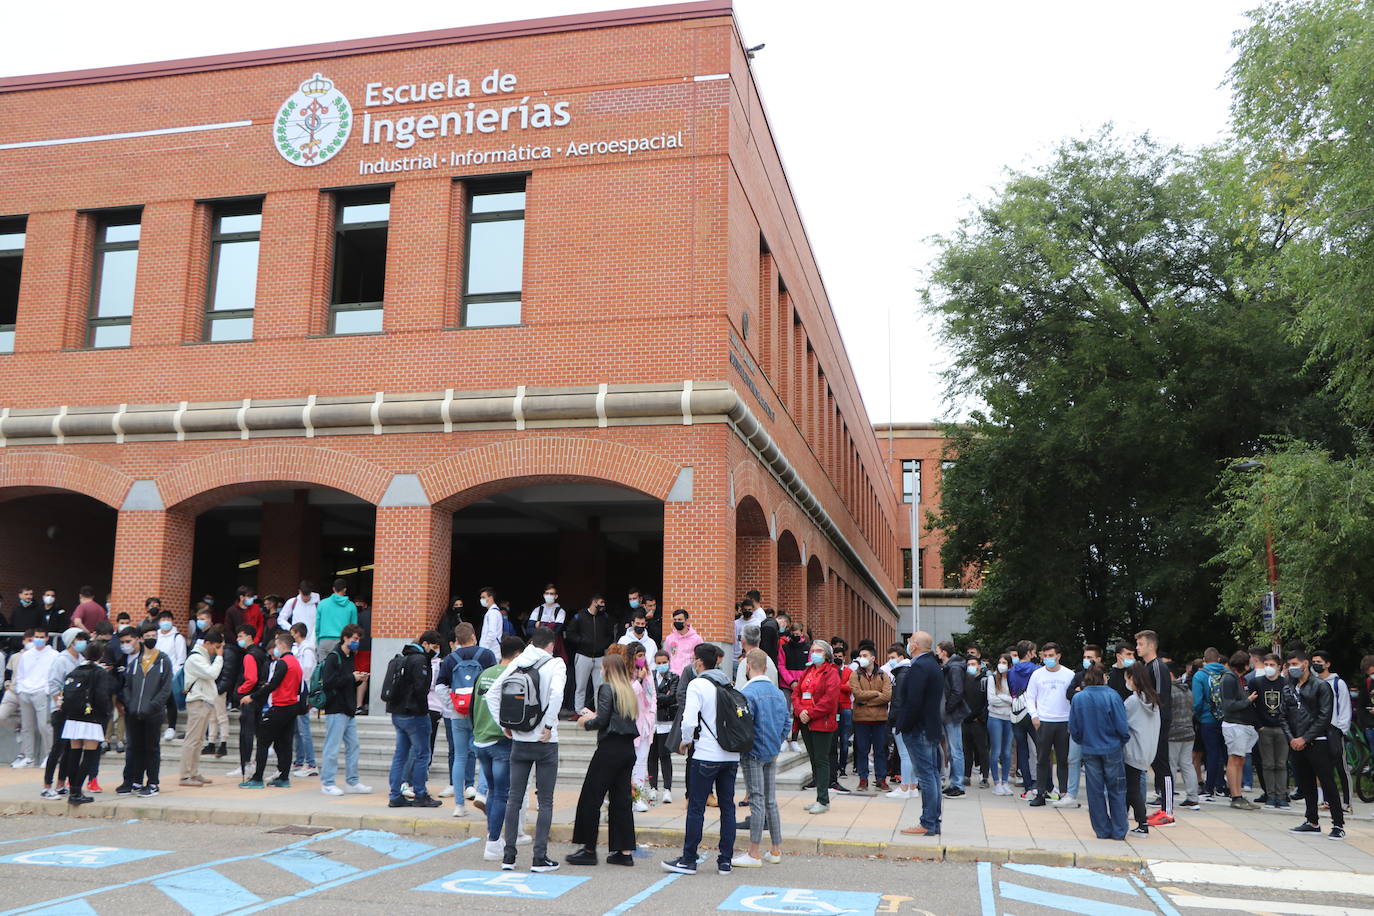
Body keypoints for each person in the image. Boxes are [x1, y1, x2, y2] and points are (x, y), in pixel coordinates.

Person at [488, 626, 566, 873]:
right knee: (545, 802)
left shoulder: (518, 662)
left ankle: (508, 856)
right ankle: (539, 858)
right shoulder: (556, 665)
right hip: (545, 742)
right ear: (551, 645)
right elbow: (557, 694)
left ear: (533, 642)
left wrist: (504, 725)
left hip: (519, 739)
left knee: (514, 798)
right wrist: (549, 725)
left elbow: (491, 695)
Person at [661, 643, 739, 876]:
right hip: (730, 754)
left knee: (696, 807)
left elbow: (689, 720)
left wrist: (685, 740)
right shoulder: (727, 682)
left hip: (706, 754)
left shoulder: (698, 684)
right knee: (728, 807)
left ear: (698, 662)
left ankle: (688, 859)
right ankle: (725, 860)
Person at [567, 653, 641, 867]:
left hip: (609, 749)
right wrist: (597, 714)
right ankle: (624, 851)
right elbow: (615, 715)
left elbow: (603, 719)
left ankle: (588, 849)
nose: (600, 670)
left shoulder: (606, 687)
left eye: (602, 667)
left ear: (607, 669)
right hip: (627, 749)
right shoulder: (627, 689)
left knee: (591, 798)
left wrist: (585, 722)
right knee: (621, 801)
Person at [435, 622, 496, 817]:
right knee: (486, 755)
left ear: (457, 640)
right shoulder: (486, 655)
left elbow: (440, 687)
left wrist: (453, 705)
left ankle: (459, 806)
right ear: (474, 636)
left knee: (460, 757)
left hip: (457, 714)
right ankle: (481, 792)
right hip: (480, 714)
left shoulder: (450, 659)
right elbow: (494, 682)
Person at [735, 648, 788, 867]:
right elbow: (786, 723)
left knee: (756, 800)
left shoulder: (747, 694)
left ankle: (754, 852)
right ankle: (775, 849)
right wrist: (776, 742)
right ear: (766, 667)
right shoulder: (778, 693)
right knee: (770, 801)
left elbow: (744, 726)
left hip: (753, 751)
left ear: (748, 667)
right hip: (771, 750)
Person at [1282, 650, 1344, 839]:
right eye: (1289, 664)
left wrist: (1305, 738)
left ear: (1305, 663)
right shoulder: (1288, 687)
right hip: (1295, 742)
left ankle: (1338, 824)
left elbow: (1324, 717)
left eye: (1295, 663)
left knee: (1327, 782)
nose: (1292, 668)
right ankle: (1312, 821)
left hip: (1318, 741)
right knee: (1306, 782)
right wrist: (1292, 738)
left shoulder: (1321, 686)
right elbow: (1283, 715)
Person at [380, 630, 443, 807]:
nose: (435, 650)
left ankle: (395, 794)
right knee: (422, 754)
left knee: (400, 754)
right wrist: (424, 711)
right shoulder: (420, 660)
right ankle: (420, 794)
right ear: (425, 644)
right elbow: (421, 689)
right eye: (434, 646)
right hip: (415, 714)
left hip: (397, 712)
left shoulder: (402, 658)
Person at [474, 636, 523, 861]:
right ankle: (493, 842)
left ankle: (492, 836)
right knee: (502, 793)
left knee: (493, 791)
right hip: (501, 740)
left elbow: (474, 707)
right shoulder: (512, 675)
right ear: (517, 654)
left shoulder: (485, 673)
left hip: (481, 739)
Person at [1068, 664, 1129, 840]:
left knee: (1094, 791)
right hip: (1112, 747)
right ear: (1104, 677)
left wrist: (1083, 741)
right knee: (1116, 790)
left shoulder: (1079, 698)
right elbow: (1122, 725)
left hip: (1089, 747)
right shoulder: (1113, 696)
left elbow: (1074, 727)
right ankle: (1119, 830)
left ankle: (1102, 830)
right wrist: (1121, 740)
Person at [239, 633, 303, 789]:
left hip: (280, 706)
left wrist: (252, 697)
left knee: (263, 741)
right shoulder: (296, 663)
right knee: (284, 743)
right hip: (292, 707)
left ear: (281, 645)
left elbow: (273, 685)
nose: (275, 649)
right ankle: (283, 777)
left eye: (276, 645)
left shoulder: (283, 663)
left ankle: (257, 778)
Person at [896, 632, 945, 837]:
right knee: (932, 774)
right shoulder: (933, 665)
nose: (907, 644)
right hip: (930, 726)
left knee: (926, 776)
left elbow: (913, 701)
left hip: (918, 729)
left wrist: (904, 726)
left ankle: (928, 822)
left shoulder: (919, 666)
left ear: (915, 645)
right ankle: (933, 820)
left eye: (909, 641)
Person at [117, 625, 173, 797]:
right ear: (141, 639)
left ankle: (153, 782)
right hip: (135, 712)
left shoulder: (163, 660)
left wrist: (154, 705)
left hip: (153, 713)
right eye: (147, 635)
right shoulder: (135, 663)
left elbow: (166, 688)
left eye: (153, 635)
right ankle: (134, 780)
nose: (151, 638)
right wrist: (130, 704)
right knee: (134, 747)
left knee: (151, 748)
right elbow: (127, 686)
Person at [58, 642, 117, 806]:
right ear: (100, 655)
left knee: (74, 754)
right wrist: (105, 716)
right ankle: (77, 790)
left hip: (73, 718)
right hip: (91, 718)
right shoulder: (99, 672)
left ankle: (73, 791)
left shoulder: (75, 671)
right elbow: (102, 697)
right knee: (89, 755)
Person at [319, 624, 373, 796]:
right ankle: (327, 782)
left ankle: (352, 781)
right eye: (355, 639)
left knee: (353, 746)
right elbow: (328, 682)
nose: (357, 642)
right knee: (332, 747)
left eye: (358, 639)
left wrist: (358, 679)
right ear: (346, 638)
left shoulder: (350, 656)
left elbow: (345, 682)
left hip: (348, 709)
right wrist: (352, 677)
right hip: (336, 709)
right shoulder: (334, 657)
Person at [794, 639, 841, 813]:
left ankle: (823, 799)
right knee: (813, 759)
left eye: (819, 650)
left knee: (821, 760)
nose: (814, 653)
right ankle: (819, 797)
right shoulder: (808, 671)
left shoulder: (832, 673)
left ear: (826, 654)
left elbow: (829, 700)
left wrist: (810, 713)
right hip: (805, 721)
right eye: (813, 650)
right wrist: (800, 711)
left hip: (821, 722)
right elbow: (796, 693)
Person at [1025, 642, 1074, 806]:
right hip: (1044, 721)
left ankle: (1063, 793)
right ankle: (1040, 793)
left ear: (1058, 656)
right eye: (1045, 656)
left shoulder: (1068, 674)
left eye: (1051, 656)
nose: (1048, 659)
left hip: (1064, 721)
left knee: (1062, 759)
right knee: (1042, 759)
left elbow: (1074, 697)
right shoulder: (1037, 674)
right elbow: (1030, 696)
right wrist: (1034, 715)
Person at [41, 628, 88, 797]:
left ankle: (61, 783)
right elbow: (53, 684)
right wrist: (59, 702)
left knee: (70, 748)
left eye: (83, 639)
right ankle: (47, 785)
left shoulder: (82, 660)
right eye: (78, 639)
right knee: (57, 748)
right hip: (61, 709)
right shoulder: (61, 660)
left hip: (76, 710)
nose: (82, 642)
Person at [1135, 630, 1174, 824]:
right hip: (1152, 720)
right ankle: (1163, 808)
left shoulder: (1158, 667)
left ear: (1151, 645)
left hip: (1159, 720)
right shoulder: (1147, 666)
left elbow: (1158, 696)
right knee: (1156, 764)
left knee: (1162, 763)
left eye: (1140, 644)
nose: (1137, 648)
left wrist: (1152, 718)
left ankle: (1168, 812)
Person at [177, 627, 223, 787]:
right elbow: (212, 674)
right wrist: (219, 657)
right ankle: (185, 776)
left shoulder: (202, 657)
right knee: (192, 740)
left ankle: (193, 772)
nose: (216, 650)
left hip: (204, 701)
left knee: (198, 740)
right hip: (198, 701)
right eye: (216, 646)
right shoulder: (195, 658)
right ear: (208, 643)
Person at [1310, 649, 1352, 814]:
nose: (1316, 665)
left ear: (1327, 664)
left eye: (1319, 662)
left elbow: (1345, 707)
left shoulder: (1337, 683)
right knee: (1323, 767)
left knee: (1341, 767)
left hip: (1335, 730)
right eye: (1314, 661)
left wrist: (1341, 729)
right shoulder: (1313, 683)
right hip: (1319, 731)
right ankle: (1327, 800)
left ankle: (1347, 802)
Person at [1123, 663, 1161, 835]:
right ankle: (1122, 819)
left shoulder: (1133, 701)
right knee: (1132, 787)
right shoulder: (1152, 699)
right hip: (1147, 750)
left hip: (1132, 750)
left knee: (1131, 789)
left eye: (1127, 678)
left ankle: (1142, 823)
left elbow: (1121, 722)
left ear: (1132, 679)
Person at [1219, 650, 1260, 810]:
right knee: (1234, 759)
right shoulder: (1229, 678)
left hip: (1243, 725)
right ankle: (1235, 795)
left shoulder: (1237, 678)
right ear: (1244, 665)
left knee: (1240, 760)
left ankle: (1239, 794)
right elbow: (1228, 705)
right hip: (1234, 725)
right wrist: (1248, 701)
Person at [13, 627, 57, 770]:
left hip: (42, 692)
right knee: (27, 727)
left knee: (45, 726)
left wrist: (47, 690)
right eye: (36, 637)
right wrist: (20, 689)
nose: (38, 640)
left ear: (46, 638)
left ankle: (49, 756)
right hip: (25, 692)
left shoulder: (53, 655)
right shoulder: (27, 655)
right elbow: (20, 673)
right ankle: (28, 757)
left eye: (41, 637)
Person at [850, 642, 891, 791]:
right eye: (860, 656)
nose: (862, 658)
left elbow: (887, 696)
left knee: (880, 750)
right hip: (861, 719)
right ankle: (863, 779)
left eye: (865, 656)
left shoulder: (882, 675)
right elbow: (857, 695)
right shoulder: (855, 675)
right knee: (862, 750)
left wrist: (867, 702)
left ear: (873, 658)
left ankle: (881, 779)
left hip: (880, 719)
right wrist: (875, 694)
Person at [228, 625, 268, 779]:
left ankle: (245, 765)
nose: (238, 640)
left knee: (246, 734)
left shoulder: (249, 655)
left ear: (249, 636)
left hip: (249, 699)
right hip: (259, 698)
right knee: (257, 733)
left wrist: (240, 692)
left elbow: (251, 679)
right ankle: (253, 765)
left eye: (240, 636)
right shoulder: (261, 653)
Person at [1253, 653, 1290, 809]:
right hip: (1265, 728)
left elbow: (1292, 706)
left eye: (1272, 665)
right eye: (1266, 664)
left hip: (1282, 728)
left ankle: (1282, 796)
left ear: (1279, 666)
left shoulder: (1286, 683)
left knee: (1281, 763)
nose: (1269, 667)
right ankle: (1270, 795)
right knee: (1267, 764)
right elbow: (1252, 705)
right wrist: (1258, 724)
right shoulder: (1257, 682)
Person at [566, 595, 613, 711]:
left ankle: (599, 712)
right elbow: (570, 633)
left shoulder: (605, 617)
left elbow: (610, 634)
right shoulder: (580, 616)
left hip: (600, 657)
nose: (603, 605)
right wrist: (581, 641)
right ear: (594, 602)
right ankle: (579, 711)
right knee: (580, 686)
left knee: (600, 687)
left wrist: (604, 645)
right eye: (601, 602)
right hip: (583, 655)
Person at [1192, 647, 1228, 800]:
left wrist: (1199, 716)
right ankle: (1222, 785)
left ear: (1204, 660)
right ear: (1219, 659)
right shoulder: (1227, 673)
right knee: (1224, 753)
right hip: (1227, 719)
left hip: (1208, 719)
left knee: (1212, 754)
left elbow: (1197, 702)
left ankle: (1209, 787)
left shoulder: (1200, 675)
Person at [935, 641, 969, 797]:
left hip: (952, 714)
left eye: (938, 651)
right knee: (953, 749)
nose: (937, 653)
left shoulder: (954, 668)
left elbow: (957, 691)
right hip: (950, 713)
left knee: (956, 750)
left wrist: (948, 708)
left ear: (944, 652)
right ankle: (955, 782)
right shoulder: (952, 667)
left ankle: (958, 784)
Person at [1166, 662, 1201, 811]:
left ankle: (1168, 797)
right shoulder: (1187, 690)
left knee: (1171, 766)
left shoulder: (1169, 691)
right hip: (1188, 731)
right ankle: (1193, 798)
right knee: (1187, 764)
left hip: (1173, 733)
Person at [1008, 641, 1040, 797]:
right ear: (1029, 652)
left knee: (1022, 750)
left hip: (1016, 711)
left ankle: (1027, 786)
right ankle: (1043, 785)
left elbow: (1011, 691)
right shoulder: (1037, 670)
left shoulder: (1011, 671)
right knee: (1041, 749)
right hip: (1032, 711)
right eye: (1034, 652)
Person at [885, 644, 917, 799]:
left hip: (900, 720)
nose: (890, 661)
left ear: (901, 657)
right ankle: (912, 786)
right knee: (909, 754)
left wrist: (893, 719)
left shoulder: (902, 674)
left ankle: (905, 787)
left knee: (905, 754)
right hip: (906, 718)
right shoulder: (908, 672)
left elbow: (898, 701)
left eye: (893, 658)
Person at [628, 645, 658, 812]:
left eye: (644, 655)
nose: (642, 659)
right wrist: (639, 679)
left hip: (646, 724)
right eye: (639, 655)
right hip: (632, 723)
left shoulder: (648, 672)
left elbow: (652, 694)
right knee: (630, 762)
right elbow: (629, 694)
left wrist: (652, 713)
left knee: (641, 762)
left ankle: (637, 797)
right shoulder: (627, 674)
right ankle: (627, 795)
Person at [289, 623, 319, 777]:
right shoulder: (301, 649)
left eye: (292, 633)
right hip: (299, 692)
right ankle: (299, 761)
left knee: (303, 729)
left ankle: (311, 763)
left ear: (296, 633)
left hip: (303, 693)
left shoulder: (307, 650)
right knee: (297, 729)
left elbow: (306, 673)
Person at [649, 648, 678, 804]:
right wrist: (660, 697)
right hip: (651, 720)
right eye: (659, 663)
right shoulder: (650, 677)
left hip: (666, 721)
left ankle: (667, 789)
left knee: (664, 755)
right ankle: (653, 787)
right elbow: (648, 695)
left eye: (664, 663)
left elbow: (672, 697)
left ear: (669, 662)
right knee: (651, 756)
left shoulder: (674, 677)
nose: (661, 665)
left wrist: (656, 697)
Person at [153, 610, 187, 742]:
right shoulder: (156, 636)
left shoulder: (177, 637)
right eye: (163, 619)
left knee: (170, 701)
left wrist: (174, 674)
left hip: (171, 674)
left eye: (168, 619)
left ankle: (171, 727)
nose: (165, 622)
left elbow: (181, 658)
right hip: (155, 674)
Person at [986, 653, 1015, 795]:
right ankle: (996, 782)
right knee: (996, 750)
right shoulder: (992, 678)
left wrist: (1004, 698)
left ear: (1010, 665)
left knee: (1007, 752)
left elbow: (1016, 700)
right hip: (995, 717)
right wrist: (1008, 699)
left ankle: (1005, 782)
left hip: (1009, 718)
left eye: (1004, 662)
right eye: (1000, 661)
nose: (1001, 664)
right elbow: (992, 700)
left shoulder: (1012, 679)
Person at [963, 653, 990, 790]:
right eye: (968, 665)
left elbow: (987, 702)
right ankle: (966, 775)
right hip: (965, 720)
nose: (971, 667)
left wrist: (980, 717)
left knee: (982, 749)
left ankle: (984, 776)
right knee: (966, 749)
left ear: (979, 666)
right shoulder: (964, 681)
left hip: (979, 721)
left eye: (973, 664)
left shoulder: (985, 681)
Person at [316, 579, 357, 660]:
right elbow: (354, 629)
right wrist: (354, 647)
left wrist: (318, 641)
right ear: (345, 589)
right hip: (342, 642)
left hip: (324, 641)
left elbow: (317, 626)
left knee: (324, 669)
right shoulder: (351, 606)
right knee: (341, 669)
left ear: (333, 589)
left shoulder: (322, 604)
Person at [527, 585, 567, 662]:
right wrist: (549, 626)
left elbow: (556, 631)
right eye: (547, 593)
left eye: (551, 594)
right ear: (544, 595)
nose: (549, 595)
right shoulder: (537, 610)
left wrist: (539, 625)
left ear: (556, 596)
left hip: (554, 649)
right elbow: (528, 630)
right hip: (537, 649)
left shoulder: (560, 612)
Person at [734, 624, 778, 689]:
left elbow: (740, 692)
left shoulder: (745, 663)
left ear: (743, 642)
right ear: (759, 640)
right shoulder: (769, 661)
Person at [664, 608, 703, 677]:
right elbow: (666, 657)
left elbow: (700, 658)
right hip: (672, 675)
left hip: (688, 675)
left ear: (686, 620)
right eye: (675, 620)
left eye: (680, 620)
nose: (677, 622)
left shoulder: (696, 639)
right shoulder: (669, 638)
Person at [478, 587, 505, 657]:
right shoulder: (492, 612)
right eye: (481, 598)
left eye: (483, 597)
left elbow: (492, 633)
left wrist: (484, 649)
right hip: (491, 651)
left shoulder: (493, 613)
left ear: (491, 598)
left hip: (490, 652)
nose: (481, 600)